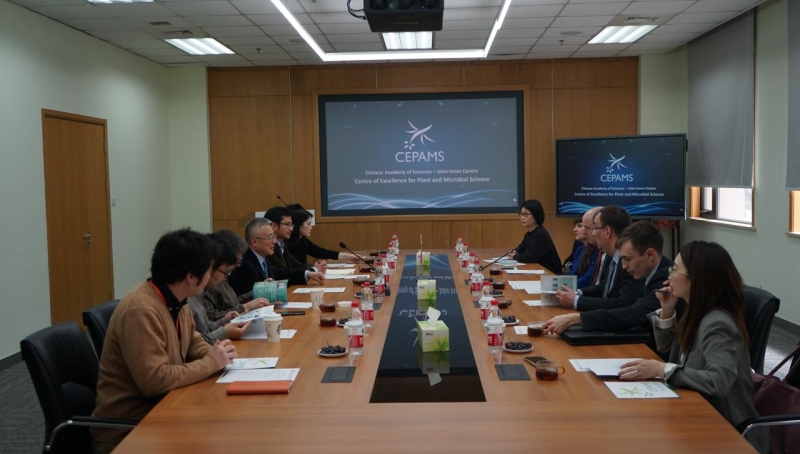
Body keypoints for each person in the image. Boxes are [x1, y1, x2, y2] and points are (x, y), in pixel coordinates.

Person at [91, 229, 237, 454]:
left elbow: (191, 340)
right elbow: (155, 380)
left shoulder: (177, 299)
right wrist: (211, 363)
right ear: (191, 277)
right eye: (209, 271)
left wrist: (213, 352)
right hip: (130, 429)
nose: (210, 277)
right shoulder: (141, 310)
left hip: (165, 408)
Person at [618, 241, 769, 454]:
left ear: (696, 279)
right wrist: (667, 310)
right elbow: (672, 354)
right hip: (699, 412)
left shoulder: (718, 323)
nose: (669, 275)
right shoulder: (697, 311)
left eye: (675, 270)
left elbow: (718, 382)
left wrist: (662, 369)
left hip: (728, 431)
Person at [543, 221, 677, 352]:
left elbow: (633, 313)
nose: (624, 266)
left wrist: (575, 319)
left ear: (650, 255)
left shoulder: (666, 279)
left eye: (628, 259)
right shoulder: (646, 271)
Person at [555, 205, 644, 312]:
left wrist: (576, 301)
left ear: (607, 231)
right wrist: (577, 293)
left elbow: (622, 303)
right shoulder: (611, 256)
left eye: (595, 228)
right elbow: (604, 286)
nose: (592, 233)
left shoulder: (629, 261)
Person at [228, 217, 325, 296]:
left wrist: (307, 274)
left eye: (274, 236)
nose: (274, 241)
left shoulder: (261, 257)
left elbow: (279, 273)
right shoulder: (244, 265)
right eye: (270, 237)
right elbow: (248, 298)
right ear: (254, 242)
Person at [188, 233, 253, 343]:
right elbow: (191, 345)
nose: (224, 277)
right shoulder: (187, 298)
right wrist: (224, 332)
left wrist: (222, 321)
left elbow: (205, 328)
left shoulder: (196, 293)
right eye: (226, 272)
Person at [201, 229, 271, 322]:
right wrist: (246, 307)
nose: (238, 265)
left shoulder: (223, 275)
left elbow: (233, 303)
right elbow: (209, 318)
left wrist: (258, 291)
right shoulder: (209, 282)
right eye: (237, 260)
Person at [286, 208, 358, 265]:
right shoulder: (287, 243)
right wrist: (314, 268)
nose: (311, 227)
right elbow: (295, 267)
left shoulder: (303, 241)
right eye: (308, 224)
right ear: (298, 225)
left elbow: (320, 252)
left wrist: (348, 256)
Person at [265, 206, 325, 272]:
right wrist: (314, 269)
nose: (291, 229)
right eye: (287, 224)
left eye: (291, 225)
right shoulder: (268, 247)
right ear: (274, 226)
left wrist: (316, 267)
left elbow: (297, 265)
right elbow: (283, 271)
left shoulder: (281, 245)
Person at [510, 199, 561, 274]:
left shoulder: (541, 234)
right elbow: (521, 248)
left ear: (536, 215)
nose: (522, 218)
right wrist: (515, 251)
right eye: (521, 214)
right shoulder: (529, 233)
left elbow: (531, 258)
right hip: (538, 271)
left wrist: (515, 256)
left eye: (526, 214)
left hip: (550, 274)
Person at [568, 213, 598, 288]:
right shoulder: (579, 250)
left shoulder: (598, 252)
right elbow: (572, 276)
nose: (574, 230)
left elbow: (587, 281)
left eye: (579, 226)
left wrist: (565, 286)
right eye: (575, 226)